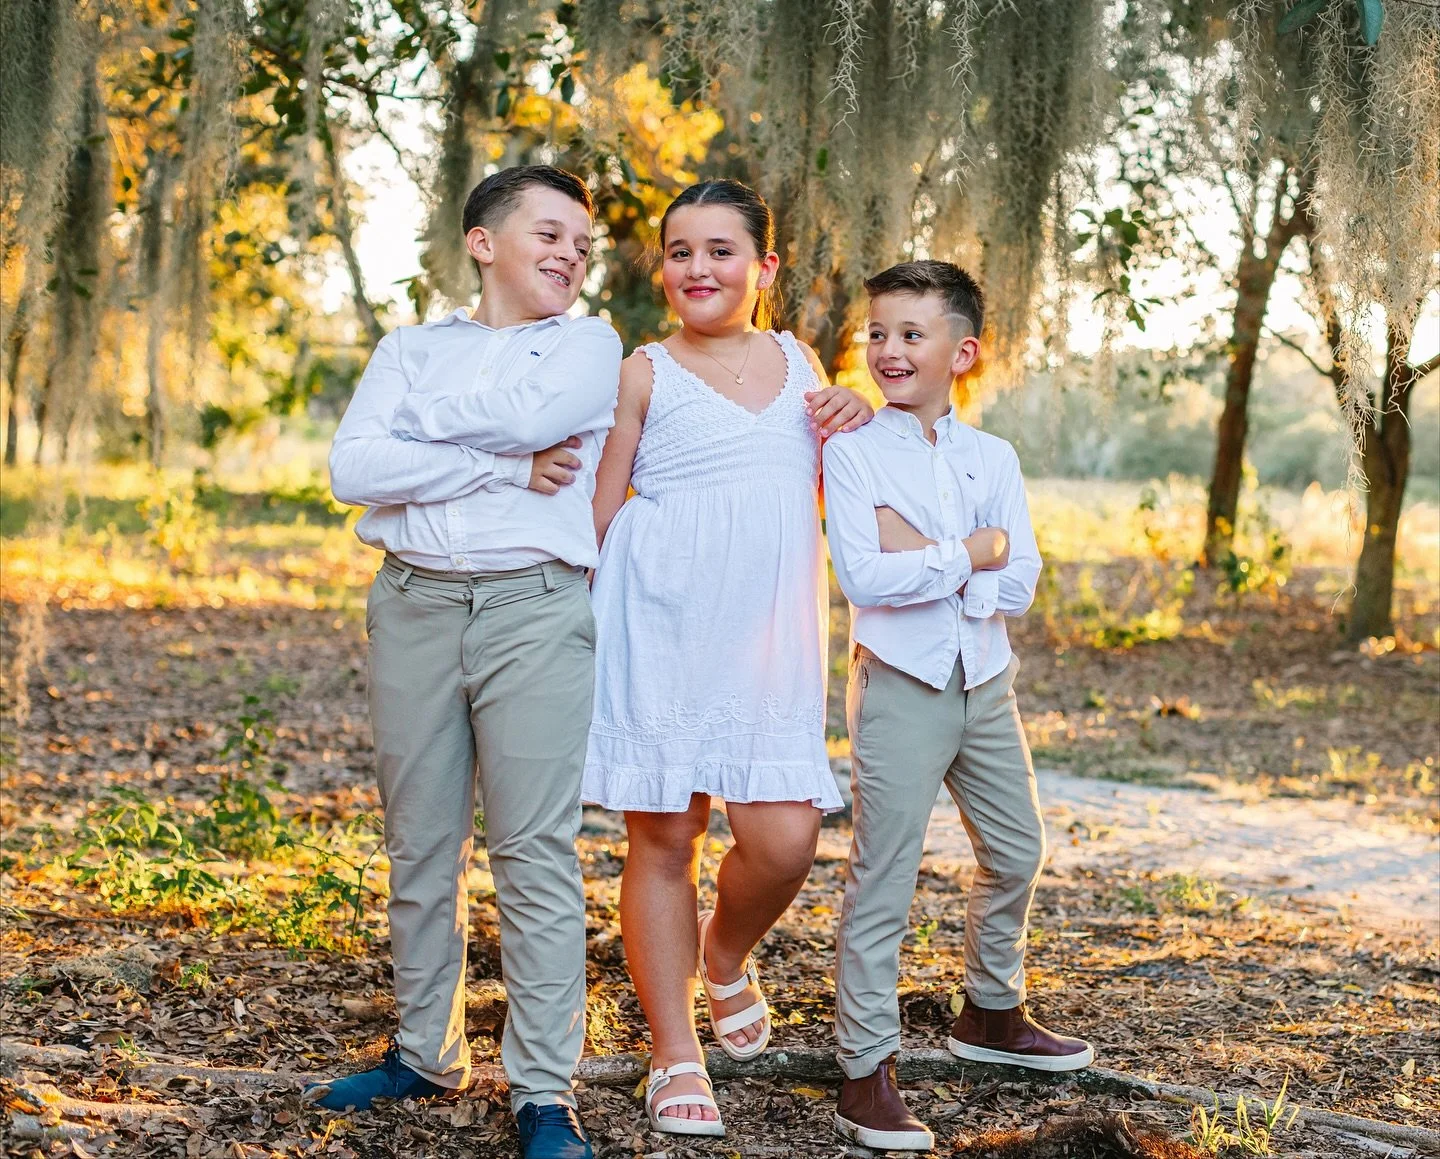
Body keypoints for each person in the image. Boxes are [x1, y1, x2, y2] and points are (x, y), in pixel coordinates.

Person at [314, 164, 620, 1159]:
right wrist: (501, 466)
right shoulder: (409, 347)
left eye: (582, 242)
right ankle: (425, 1052)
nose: (572, 253)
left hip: (533, 608)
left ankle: (543, 1092)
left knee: (533, 851)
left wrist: (424, 427)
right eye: (550, 233)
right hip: (413, 603)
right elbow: (353, 469)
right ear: (484, 242)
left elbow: (535, 422)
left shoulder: (587, 345)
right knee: (420, 842)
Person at [582, 180, 872, 1137]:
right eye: (679, 252)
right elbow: (602, 506)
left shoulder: (801, 361)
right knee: (666, 839)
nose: (697, 268)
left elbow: (833, 483)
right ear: (661, 269)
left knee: (786, 840)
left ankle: (722, 951)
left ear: (764, 266)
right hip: (662, 623)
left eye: (719, 250)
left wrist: (856, 410)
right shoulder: (642, 371)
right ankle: (674, 1051)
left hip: (767, 640)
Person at [822, 259, 1093, 1152]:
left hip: (985, 680)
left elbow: (1022, 577)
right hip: (900, 682)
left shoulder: (993, 457)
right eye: (878, 333)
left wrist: (941, 559)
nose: (888, 349)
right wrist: (972, 551)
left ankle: (990, 1011)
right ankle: (866, 1066)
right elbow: (866, 578)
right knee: (884, 874)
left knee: (1017, 848)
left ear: (963, 352)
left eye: (911, 333)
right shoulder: (853, 453)